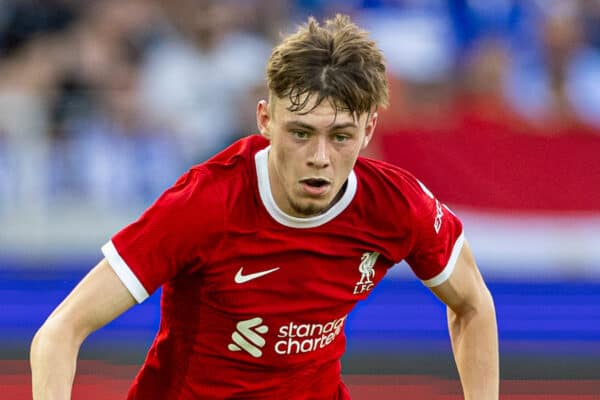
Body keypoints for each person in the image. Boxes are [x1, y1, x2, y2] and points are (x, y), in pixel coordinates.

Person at [30, 14, 499, 400]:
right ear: (265, 120)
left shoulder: (398, 207)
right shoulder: (204, 204)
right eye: (300, 133)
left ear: (369, 130)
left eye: (340, 136)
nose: (320, 157)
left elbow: (473, 303)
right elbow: (60, 332)